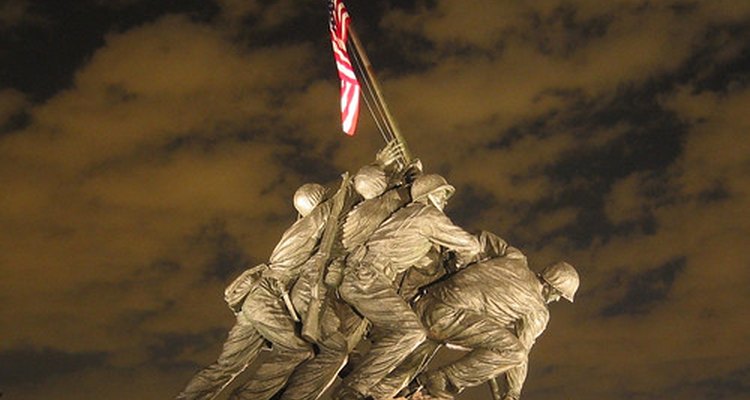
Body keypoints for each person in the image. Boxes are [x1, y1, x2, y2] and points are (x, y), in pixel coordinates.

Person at [332, 174, 483, 400]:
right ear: (428, 196)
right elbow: (472, 245)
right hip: (368, 278)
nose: (445, 201)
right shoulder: (428, 215)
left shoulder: (406, 214)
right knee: (410, 332)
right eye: (442, 195)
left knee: (392, 337)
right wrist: (459, 263)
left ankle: (383, 390)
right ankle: (352, 390)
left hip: (367, 277)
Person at [368, 250, 580, 400]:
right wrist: (513, 393)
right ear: (553, 289)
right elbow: (519, 354)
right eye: (560, 295)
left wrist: (461, 265)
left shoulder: (515, 258)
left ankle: (374, 393)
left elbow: (481, 238)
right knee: (512, 351)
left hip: (424, 303)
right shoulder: (537, 310)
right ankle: (442, 380)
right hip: (447, 318)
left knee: (407, 370)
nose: (558, 300)